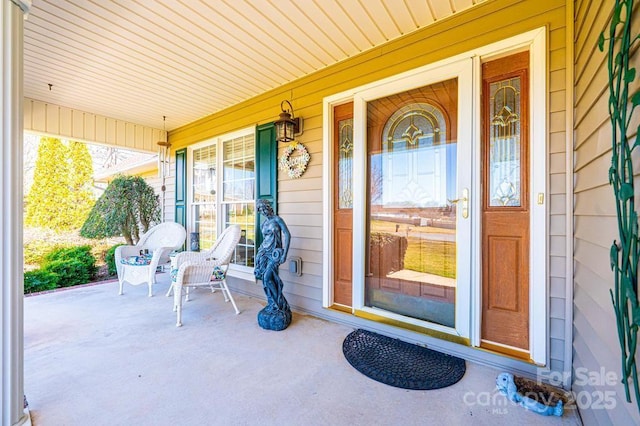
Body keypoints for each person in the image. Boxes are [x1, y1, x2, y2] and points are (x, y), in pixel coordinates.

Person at [254, 199, 292, 330]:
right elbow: (265, 240)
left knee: (267, 277)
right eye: (260, 210)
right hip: (264, 253)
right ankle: (272, 303)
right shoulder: (263, 224)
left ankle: (278, 304)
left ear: (268, 207)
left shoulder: (277, 220)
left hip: (275, 253)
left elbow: (287, 235)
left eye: (264, 208)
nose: (263, 211)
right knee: (265, 280)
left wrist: (284, 254)